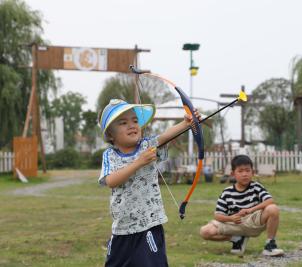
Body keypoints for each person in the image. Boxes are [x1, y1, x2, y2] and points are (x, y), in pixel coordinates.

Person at [98, 99, 200, 267]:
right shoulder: (110, 155)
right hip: (122, 228)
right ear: (110, 135)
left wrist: (186, 123)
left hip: (149, 225)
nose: (132, 125)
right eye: (123, 123)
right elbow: (111, 180)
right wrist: (139, 162)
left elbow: (166, 135)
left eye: (135, 121)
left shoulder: (147, 146)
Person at [199, 155, 284, 257]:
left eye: (248, 170)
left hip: (253, 221)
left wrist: (251, 210)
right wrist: (230, 218)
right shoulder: (227, 192)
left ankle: (270, 246)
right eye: (240, 171)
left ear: (252, 172)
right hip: (234, 223)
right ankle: (237, 239)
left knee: (273, 208)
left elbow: (270, 200)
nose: (245, 174)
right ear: (232, 173)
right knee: (205, 231)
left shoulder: (256, 186)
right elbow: (217, 215)